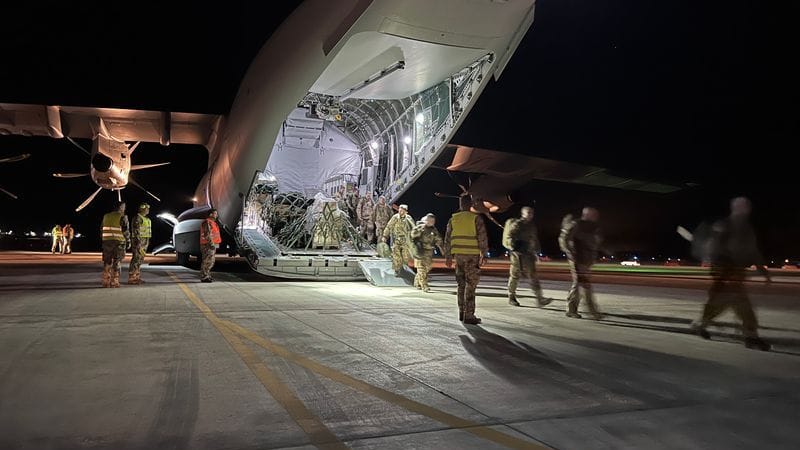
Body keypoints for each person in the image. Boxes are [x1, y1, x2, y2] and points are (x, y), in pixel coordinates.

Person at [691, 197, 771, 351]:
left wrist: (764, 271)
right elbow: (714, 249)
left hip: (736, 273)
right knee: (740, 303)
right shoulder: (724, 226)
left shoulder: (747, 229)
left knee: (720, 304)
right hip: (725, 273)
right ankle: (751, 337)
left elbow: (753, 252)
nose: (745, 210)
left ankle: (700, 324)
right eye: (741, 206)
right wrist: (720, 271)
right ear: (734, 208)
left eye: (747, 207)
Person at [445, 195, 489, 324]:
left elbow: (447, 239)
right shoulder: (475, 218)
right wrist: (484, 254)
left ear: (460, 204)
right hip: (472, 256)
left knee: (461, 284)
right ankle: (469, 315)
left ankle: (461, 311)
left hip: (458, 256)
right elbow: (482, 237)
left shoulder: (453, 219)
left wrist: (448, 256)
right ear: (471, 204)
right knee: (471, 285)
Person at [502, 206, 551, 307]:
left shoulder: (531, 226)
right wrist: (514, 246)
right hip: (518, 254)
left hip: (528, 254)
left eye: (531, 213)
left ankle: (540, 298)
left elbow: (534, 239)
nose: (530, 215)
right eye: (528, 213)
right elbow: (509, 236)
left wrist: (537, 251)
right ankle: (511, 296)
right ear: (523, 214)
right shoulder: (517, 224)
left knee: (533, 276)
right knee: (515, 276)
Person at [563, 207, 602, 319]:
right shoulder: (576, 224)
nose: (596, 217)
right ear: (586, 214)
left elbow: (593, 244)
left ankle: (582, 310)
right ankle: (590, 311)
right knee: (582, 283)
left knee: (582, 284)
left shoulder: (593, 227)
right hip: (577, 259)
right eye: (594, 215)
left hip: (586, 260)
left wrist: (593, 257)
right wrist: (570, 253)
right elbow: (563, 238)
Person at [410, 213, 444, 292]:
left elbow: (438, 239)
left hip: (429, 252)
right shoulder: (419, 227)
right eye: (431, 221)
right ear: (426, 220)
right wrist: (421, 228)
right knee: (421, 268)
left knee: (427, 268)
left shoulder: (433, 229)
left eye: (433, 221)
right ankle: (424, 285)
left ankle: (417, 282)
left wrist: (441, 247)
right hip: (420, 251)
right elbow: (413, 235)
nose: (432, 222)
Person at [101, 202, 130, 288]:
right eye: (124, 207)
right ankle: (114, 281)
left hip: (107, 241)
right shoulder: (123, 217)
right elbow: (126, 231)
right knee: (117, 261)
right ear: (120, 207)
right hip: (119, 242)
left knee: (107, 261)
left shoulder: (106, 216)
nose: (124, 209)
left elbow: (101, 229)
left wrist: (104, 239)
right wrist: (128, 241)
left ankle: (105, 281)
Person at [382, 204, 415, 275]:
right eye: (400, 209)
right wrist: (385, 236)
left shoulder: (409, 218)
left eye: (402, 210)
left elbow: (413, 228)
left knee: (405, 256)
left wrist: (414, 239)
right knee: (396, 255)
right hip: (396, 239)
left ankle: (403, 269)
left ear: (406, 211)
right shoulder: (395, 217)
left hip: (406, 240)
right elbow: (389, 226)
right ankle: (397, 270)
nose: (400, 211)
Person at [127, 203, 152, 284]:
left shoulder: (146, 219)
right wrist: (138, 243)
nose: (148, 210)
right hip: (139, 241)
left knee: (140, 259)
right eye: (146, 208)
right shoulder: (137, 218)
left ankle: (137, 277)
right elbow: (136, 231)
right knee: (136, 258)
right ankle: (132, 278)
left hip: (145, 240)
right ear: (142, 209)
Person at [200, 208, 222, 282]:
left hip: (211, 245)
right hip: (208, 245)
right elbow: (207, 234)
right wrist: (211, 244)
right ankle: (204, 277)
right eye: (215, 213)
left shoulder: (213, 223)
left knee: (210, 261)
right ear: (211, 214)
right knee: (207, 261)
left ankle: (207, 275)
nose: (216, 215)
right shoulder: (207, 222)